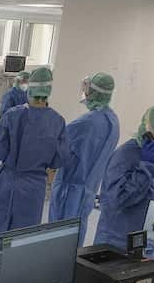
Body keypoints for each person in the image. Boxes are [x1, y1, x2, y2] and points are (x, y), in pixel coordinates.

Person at [0, 66, 67, 283]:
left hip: (8, 182)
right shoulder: (58, 121)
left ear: (29, 87)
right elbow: (58, 160)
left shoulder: (13, 115)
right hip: (35, 189)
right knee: (23, 236)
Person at [94, 102, 154, 249]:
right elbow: (118, 200)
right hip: (119, 244)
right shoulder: (124, 157)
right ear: (148, 130)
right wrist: (146, 168)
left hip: (151, 244)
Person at [49, 72, 118, 244]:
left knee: (58, 238)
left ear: (93, 92)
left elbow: (56, 145)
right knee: (75, 234)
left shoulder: (86, 122)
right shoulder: (112, 119)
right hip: (89, 189)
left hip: (70, 188)